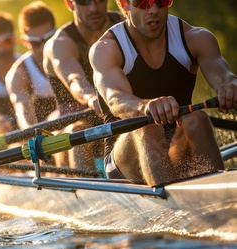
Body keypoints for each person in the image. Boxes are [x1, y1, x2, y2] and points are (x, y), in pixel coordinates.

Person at [89, 0, 237, 185]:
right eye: (143, 3)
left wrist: (230, 87)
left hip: (177, 149)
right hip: (125, 162)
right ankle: (171, 206)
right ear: (125, 5)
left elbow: (225, 77)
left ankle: (219, 197)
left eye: (161, 2)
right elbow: (115, 99)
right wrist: (144, 106)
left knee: (197, 118)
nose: (153, 10)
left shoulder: (196, 37)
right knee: (148, 126)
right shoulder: (106, 48)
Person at [43, 0, 123, 170]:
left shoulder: (126, 25)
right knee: (76, 133)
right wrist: (91, 97)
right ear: (70, 4)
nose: (93, 8)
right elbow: (74, 79)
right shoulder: (61, 43)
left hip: (124, 110)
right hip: (82, 120)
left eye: (99, 0)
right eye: (84, 2)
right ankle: (90, 191)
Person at [5, 1, 58, 130]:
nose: (42, 48)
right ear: (24, 41)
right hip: (47, 136)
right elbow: (24, 115)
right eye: (35, 43)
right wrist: (31, 130)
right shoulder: (18, 74)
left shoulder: (70, 53)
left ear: (57, 33)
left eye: (47, 39)